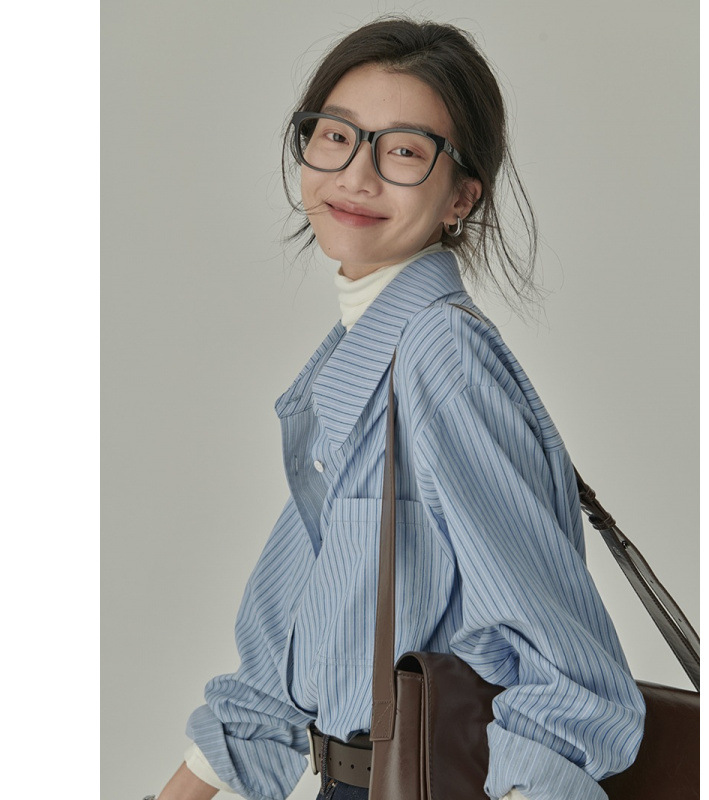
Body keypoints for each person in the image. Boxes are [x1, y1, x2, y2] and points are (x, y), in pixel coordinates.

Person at [152, 15, 646, 800]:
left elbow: (567, 674)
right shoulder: (360, 365)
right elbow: (280, 664)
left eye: (405, 151)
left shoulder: (439, 356)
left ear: (461, 196)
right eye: (336, 136)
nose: (356, 175)